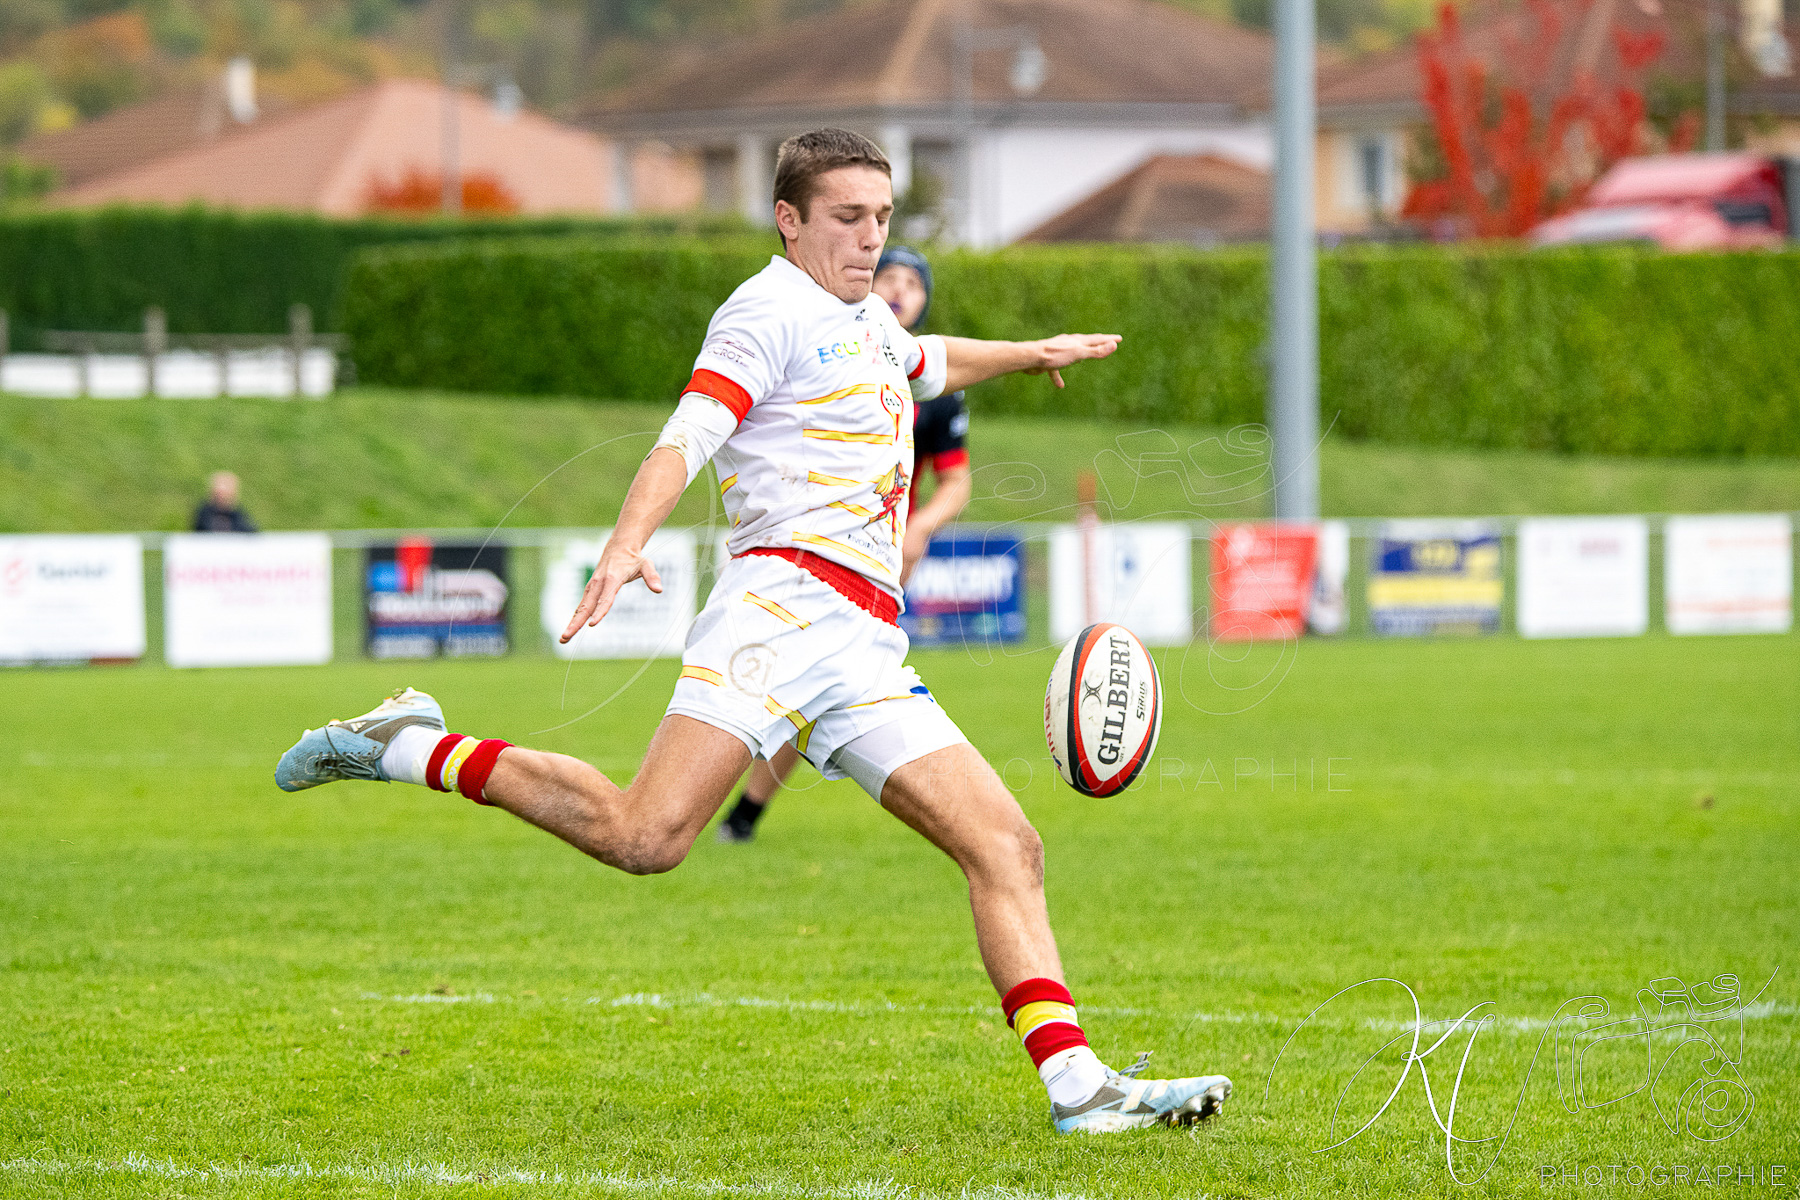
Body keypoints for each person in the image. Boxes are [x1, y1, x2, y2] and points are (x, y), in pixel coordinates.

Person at [275, 128, 1231, 1135]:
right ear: (790, 218)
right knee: (646, 838)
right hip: (776, 613)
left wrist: (1032, 355)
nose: (872, 241)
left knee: (1006, 845)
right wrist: (624, 541)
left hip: (864, 641)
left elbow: (927, 362)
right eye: (848, 219)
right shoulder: (764, 311)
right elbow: (688, 433)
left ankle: (1078, 1090)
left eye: (884, 218)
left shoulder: (866, 318)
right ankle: (410, 745)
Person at [716, 244, 969, 844]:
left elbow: (955, 481)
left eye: (915, 282)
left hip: (879, 560)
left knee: (815, 680)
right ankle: (729, 806)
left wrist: (921, 527)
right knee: (797, 680)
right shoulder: (819, 349)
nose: (901, 289)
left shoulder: (933, 388)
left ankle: (743, 812)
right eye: (891, 276)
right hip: (800, 552)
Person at [192, 470, 258, 533]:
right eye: (219, 494)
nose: (222, 498)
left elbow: (248, 530)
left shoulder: (237, 516)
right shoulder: (204, 515)